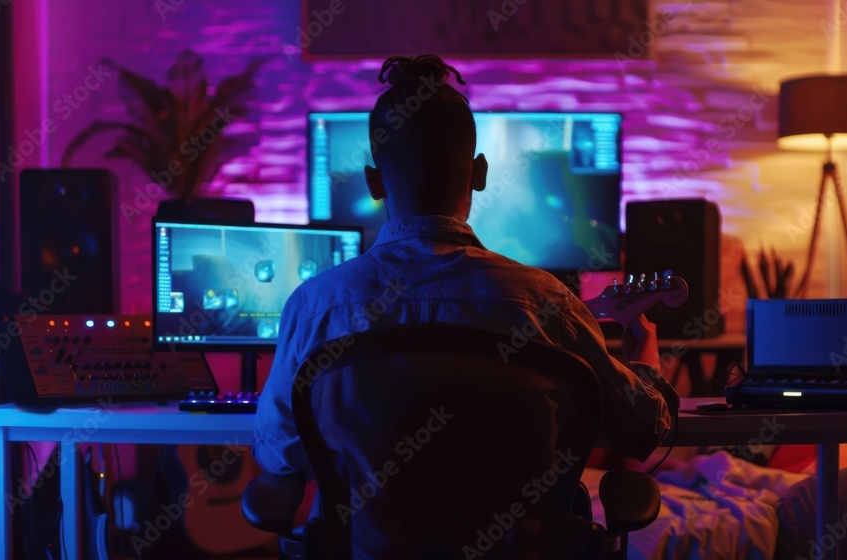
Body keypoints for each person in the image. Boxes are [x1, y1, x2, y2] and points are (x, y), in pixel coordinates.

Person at [253, 54, 679, 478]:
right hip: (516, 525)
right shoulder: (547, 302)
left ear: (373, 182)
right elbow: (641, 429)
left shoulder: (314, 306)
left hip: (364, 526)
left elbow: (277, 453)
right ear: (479, 173)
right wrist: (645, 355)